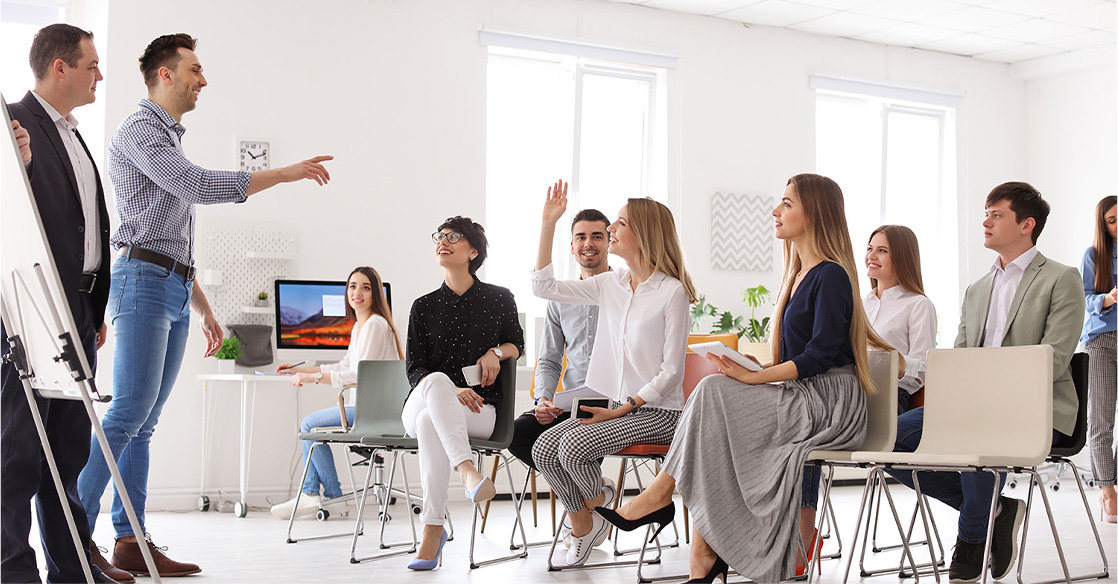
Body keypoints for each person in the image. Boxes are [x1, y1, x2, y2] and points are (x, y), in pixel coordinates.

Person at [76, 33, 333, 577]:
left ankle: (130, 540)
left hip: (169, 283)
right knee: (127, 414)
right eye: (195, 69)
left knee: (144, 423)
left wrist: (204, 307)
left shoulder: (168, 137)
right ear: (165, 74)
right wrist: (283, 173)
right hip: (142, 282)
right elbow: (193, 185)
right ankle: (72, 531)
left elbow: (168, 239)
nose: (204, 80)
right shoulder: (140, 128)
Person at [598, 173, 896, 583]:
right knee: (713, 413)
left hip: (829, 402)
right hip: (802, 393)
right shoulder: (797, 276)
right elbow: (799, 357)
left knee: (712, 393)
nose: (776, 211)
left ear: (814, 212)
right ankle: (701, 552)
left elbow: (820, 356)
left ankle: (665, 498)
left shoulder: (832, 275)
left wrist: (758, 378)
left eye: (787, 204)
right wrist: (755, 368)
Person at [888, 182, 1084, 582]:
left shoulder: (1061, 278)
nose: (986, 222)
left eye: (996, 214)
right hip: (974, 408)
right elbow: (959, 358)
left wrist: (987, 397)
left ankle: (972, 539)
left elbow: (1054, 359)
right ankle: (996, 508)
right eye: (985, 214)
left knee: (976, 428)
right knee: (890, 438)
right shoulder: (977, 289)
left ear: (1027, 225)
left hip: (1037, 408)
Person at [2, 23, 130, 584]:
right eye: (91, 64)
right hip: (31, 310)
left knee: (69, 449)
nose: (99, 74)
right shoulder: (13, 123)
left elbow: (86, 227)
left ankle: (72, 568)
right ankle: (13, 570)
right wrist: (18, 164)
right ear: (60, 67)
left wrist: (94, 309)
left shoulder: (75, 134)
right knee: (19, 447)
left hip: (78, 310)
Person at [530, 181, 698, 567]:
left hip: (660, 414)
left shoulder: (671, 292)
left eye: (620, 223)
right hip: (619, 408)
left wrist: (622, 409)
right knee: (543, 448)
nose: (610, 230)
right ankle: (592, 511)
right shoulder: (612, 284)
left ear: (644, 233)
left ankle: (594, 510)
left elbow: (671, 372)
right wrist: (548, 223)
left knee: (572, 447)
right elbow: (543, 287)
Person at [797, 224, 939, 573]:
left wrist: (889, 358)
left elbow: (924, 369)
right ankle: (799, 533)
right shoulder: (858, 303)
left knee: (808, 435)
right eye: (870, 248)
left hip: (890, 404)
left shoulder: (918, 305)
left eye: (882, 250)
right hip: (848, 398)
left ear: (902, 257)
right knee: (798, 434)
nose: (871, 256)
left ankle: (802, 538)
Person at [402, 216, 524, 570]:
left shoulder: (499, 298)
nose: (443, 241)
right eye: (439, 236)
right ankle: (467, 470)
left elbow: (517, 344)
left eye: (453, 237)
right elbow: (415, 370)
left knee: (430, 423)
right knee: (435, 385)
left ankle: (432, 530)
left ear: (473, 251)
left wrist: (495, 352)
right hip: (425, 397)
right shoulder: (422, 306)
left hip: (479, 409)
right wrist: (451, 389)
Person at [268, 267, 403, 520]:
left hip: (374, 413)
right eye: (352, 286)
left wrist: (314, 378)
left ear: (375, 293)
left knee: (309, 425)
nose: (357, 292)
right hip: (364, 409)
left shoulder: (375, 325)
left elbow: (360, 375)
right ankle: (328, 498)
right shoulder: (360, 326)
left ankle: (321, 495)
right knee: (312, 427)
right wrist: (298, 370)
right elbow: (344, 366)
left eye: (365, 287)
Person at [509, 208, 610, 467]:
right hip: (571, 406)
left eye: (597, 236)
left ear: (610, 242)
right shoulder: (560, 298)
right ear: (572, 247)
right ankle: (591, 488)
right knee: (517, 434)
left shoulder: (625, 290)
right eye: (581, 237)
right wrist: (543, 399)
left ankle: (585, 490)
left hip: (615, 406)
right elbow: (549, 361)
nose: (588, 243)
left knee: (574, 442)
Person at [1082, 195, 1117, 523]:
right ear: (1103, 225)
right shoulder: (1093, 255)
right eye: (1113, 220)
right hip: (1102, 341)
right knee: (1101, 421)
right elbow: (1085, 297)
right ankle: (1107, 491)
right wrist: (1108, 298)